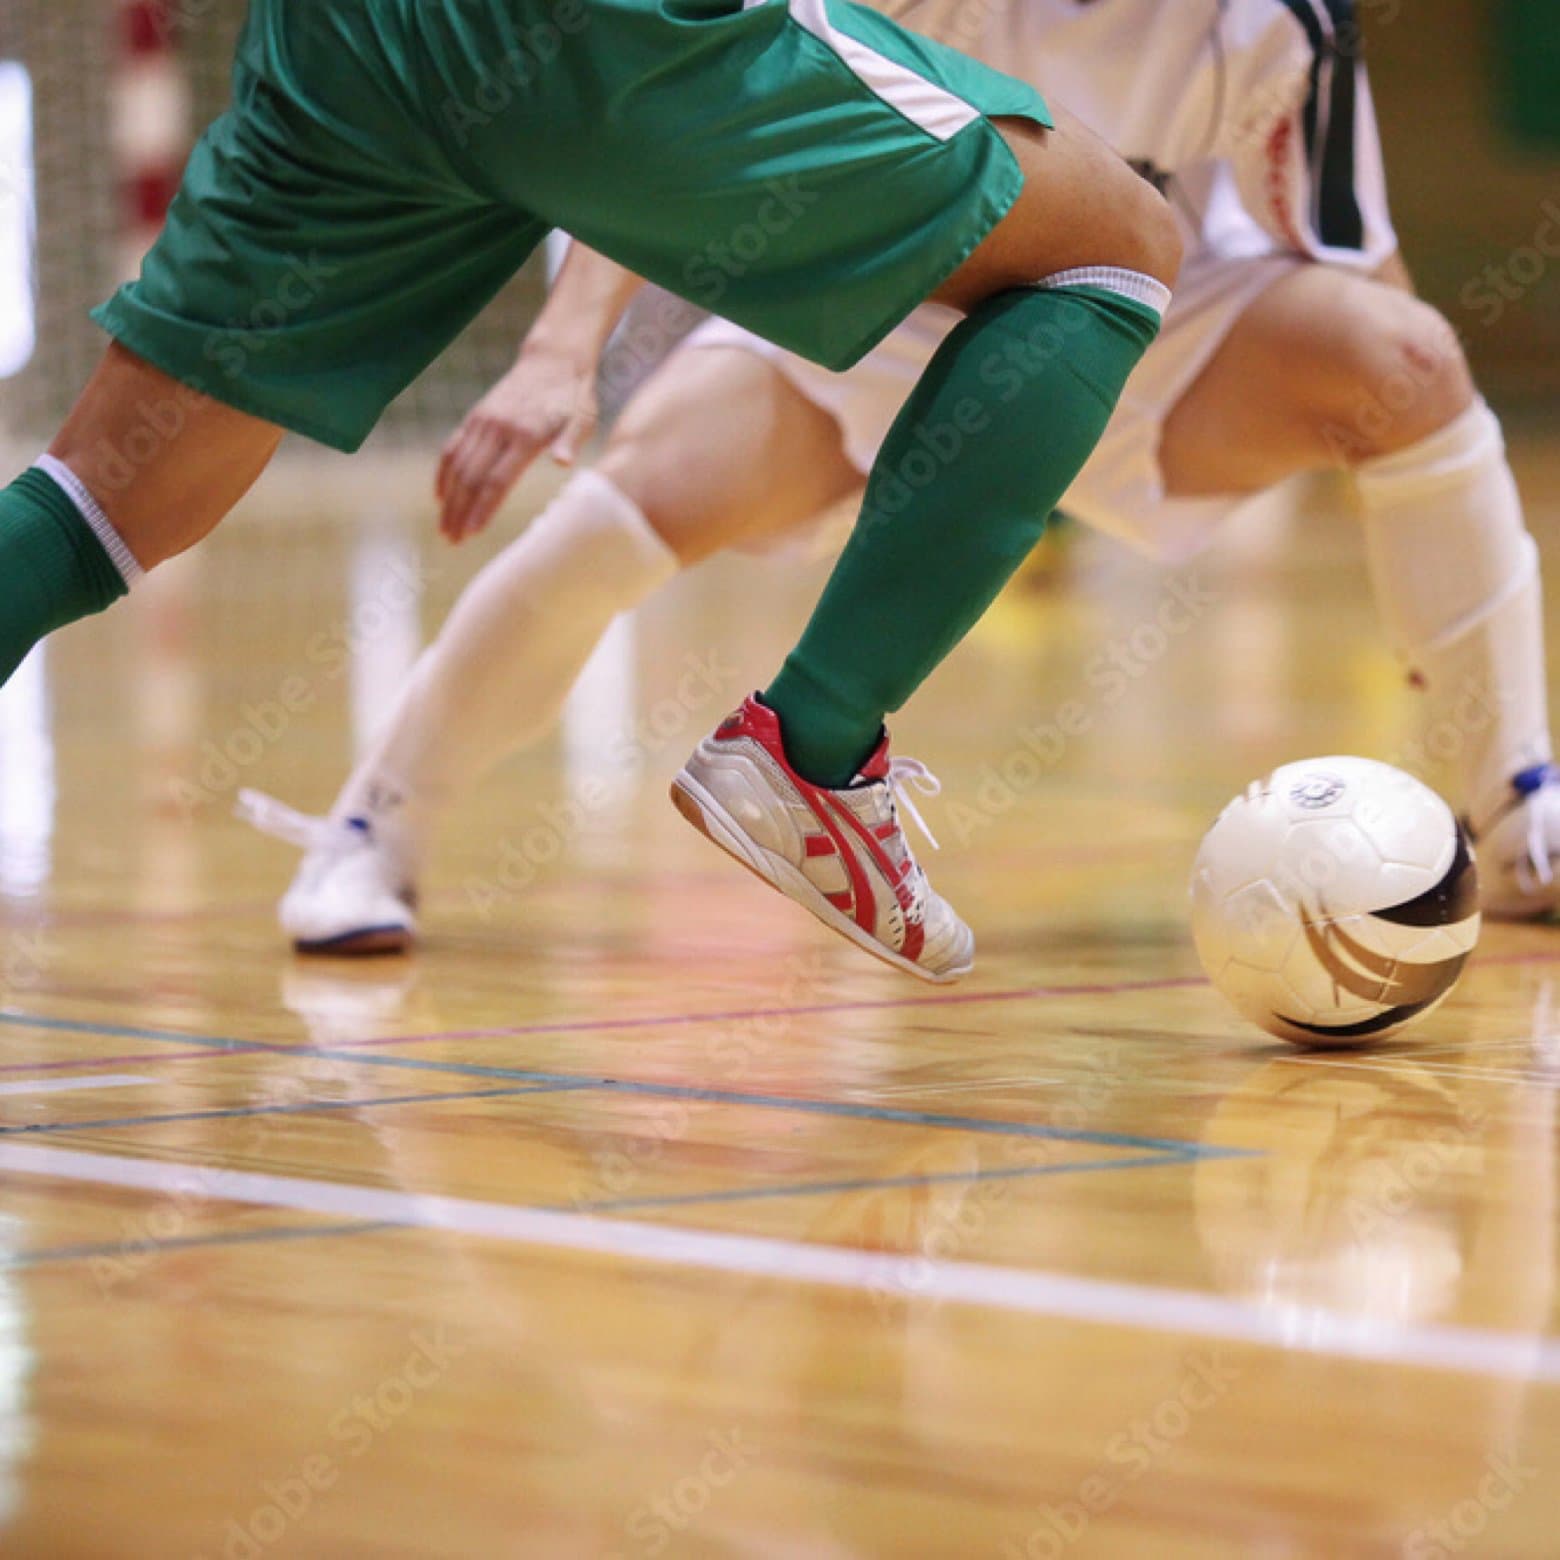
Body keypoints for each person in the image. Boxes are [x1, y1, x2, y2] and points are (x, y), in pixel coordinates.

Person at [248, 0, 1560, 965]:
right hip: (894, 307)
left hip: (1168, 330)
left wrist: (1426, 579)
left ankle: (1515, 811)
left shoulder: (1284, 22)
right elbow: (663, 116)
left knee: (1410, 362)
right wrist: (557, 352)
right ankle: (375, 825)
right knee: (630, 505)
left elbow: (1355, 266)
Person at [0, 0, 1182, 984]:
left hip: (339, 42)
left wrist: (563, 347)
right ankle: (814, 749)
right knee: (1112, 247)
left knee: (108, 500)